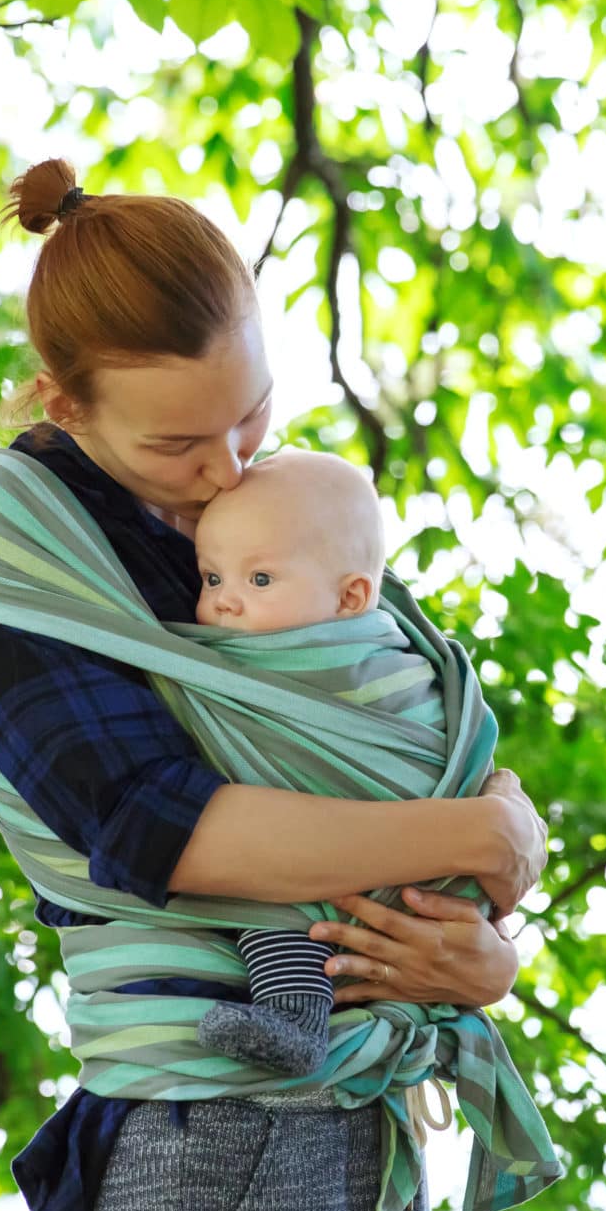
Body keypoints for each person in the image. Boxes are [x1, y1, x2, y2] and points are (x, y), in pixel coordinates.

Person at [0, 159, 547, 1211]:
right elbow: (157, 823)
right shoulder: (8, 526)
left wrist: (478, 945)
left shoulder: (267, 508)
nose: (228, 467)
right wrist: (484, 834)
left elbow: (396, 729)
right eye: (180, 442)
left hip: (366, 1116)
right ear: (63, 403)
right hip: (212, 1136)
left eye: (251, 412)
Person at [186, 447, 478, 1075]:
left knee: (269, 892)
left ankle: (294, 1017)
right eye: (212, 578)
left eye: (258, 580)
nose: (224, 603)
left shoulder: (386, 664)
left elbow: (448, 742)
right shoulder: (229, 657)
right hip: (398, 868)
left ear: (351, 599)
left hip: (390, 873)